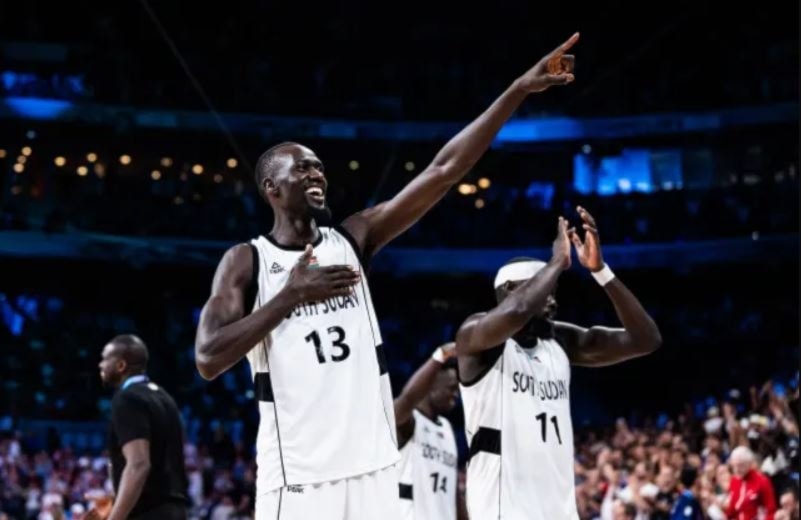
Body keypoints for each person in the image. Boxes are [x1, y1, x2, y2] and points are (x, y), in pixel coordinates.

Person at [194, 33, 580, 519]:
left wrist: (518, 90)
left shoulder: (355, 237)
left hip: (375, 464)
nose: (318, 174)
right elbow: (207, 359)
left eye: (319, 167)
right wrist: (289, 296)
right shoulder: (246, 261)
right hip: (300, 474)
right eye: (303, 169)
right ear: (271, 187)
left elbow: (443, 171)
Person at [455, 207, 662, 519]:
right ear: (511, 290)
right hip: (502, 507)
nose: (553, 300)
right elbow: (518, 310)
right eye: (545, 291)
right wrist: (556, 262)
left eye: (554, 292)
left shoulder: (560, 341)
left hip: (558, 508)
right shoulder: (475, 336)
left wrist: (601, 271)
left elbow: (646, 340)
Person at [88, 335, 188, 520]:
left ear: (121, 366)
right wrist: (116, 501)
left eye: (105, 359)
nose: (100, 365)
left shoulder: (127, 398)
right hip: (176, 511)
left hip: (148, 513)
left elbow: (139, 465)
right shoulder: (164, 397)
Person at [393, 343, 463, 519]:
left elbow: (453, 493)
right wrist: (439, 357)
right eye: (452, 388)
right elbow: (407, 398)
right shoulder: (409, 422)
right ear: (430, 385)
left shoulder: (447, 429)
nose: (456, 395)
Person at [726, 446, 777, 520]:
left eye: (740, 465)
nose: (737, 469)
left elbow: (770, 509)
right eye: (734, 466)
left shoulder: (762, 481)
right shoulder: (734, 481)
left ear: (749, 464)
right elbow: (732, 509)